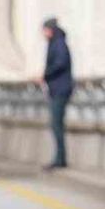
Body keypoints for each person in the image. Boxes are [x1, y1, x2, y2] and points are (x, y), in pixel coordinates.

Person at [42, 17, 73, 170]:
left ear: (50, 30)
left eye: (45, 30)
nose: (43, 34)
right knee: (56, 124)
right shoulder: (55, 42)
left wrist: (45, 75)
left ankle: (60, 159)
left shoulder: (58, 43)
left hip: (60, 89)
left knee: (56, 124)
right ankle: (59, 158)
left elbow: (60, 63)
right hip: (57, 88)